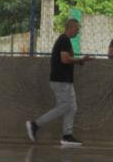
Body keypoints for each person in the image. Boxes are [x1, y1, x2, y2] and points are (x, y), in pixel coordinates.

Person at [26, 19, 93, 147]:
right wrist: (81, 59)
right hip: (61, 80)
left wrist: (79, 61)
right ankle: (35, 124)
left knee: (72, 107)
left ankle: (67, 136)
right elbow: (65, 59)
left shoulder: (65, 41)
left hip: (65, 80)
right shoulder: (64, 40)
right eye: (77, 29)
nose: (78, 31)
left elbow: (67, 58)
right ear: (70, 27)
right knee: (64, 106)